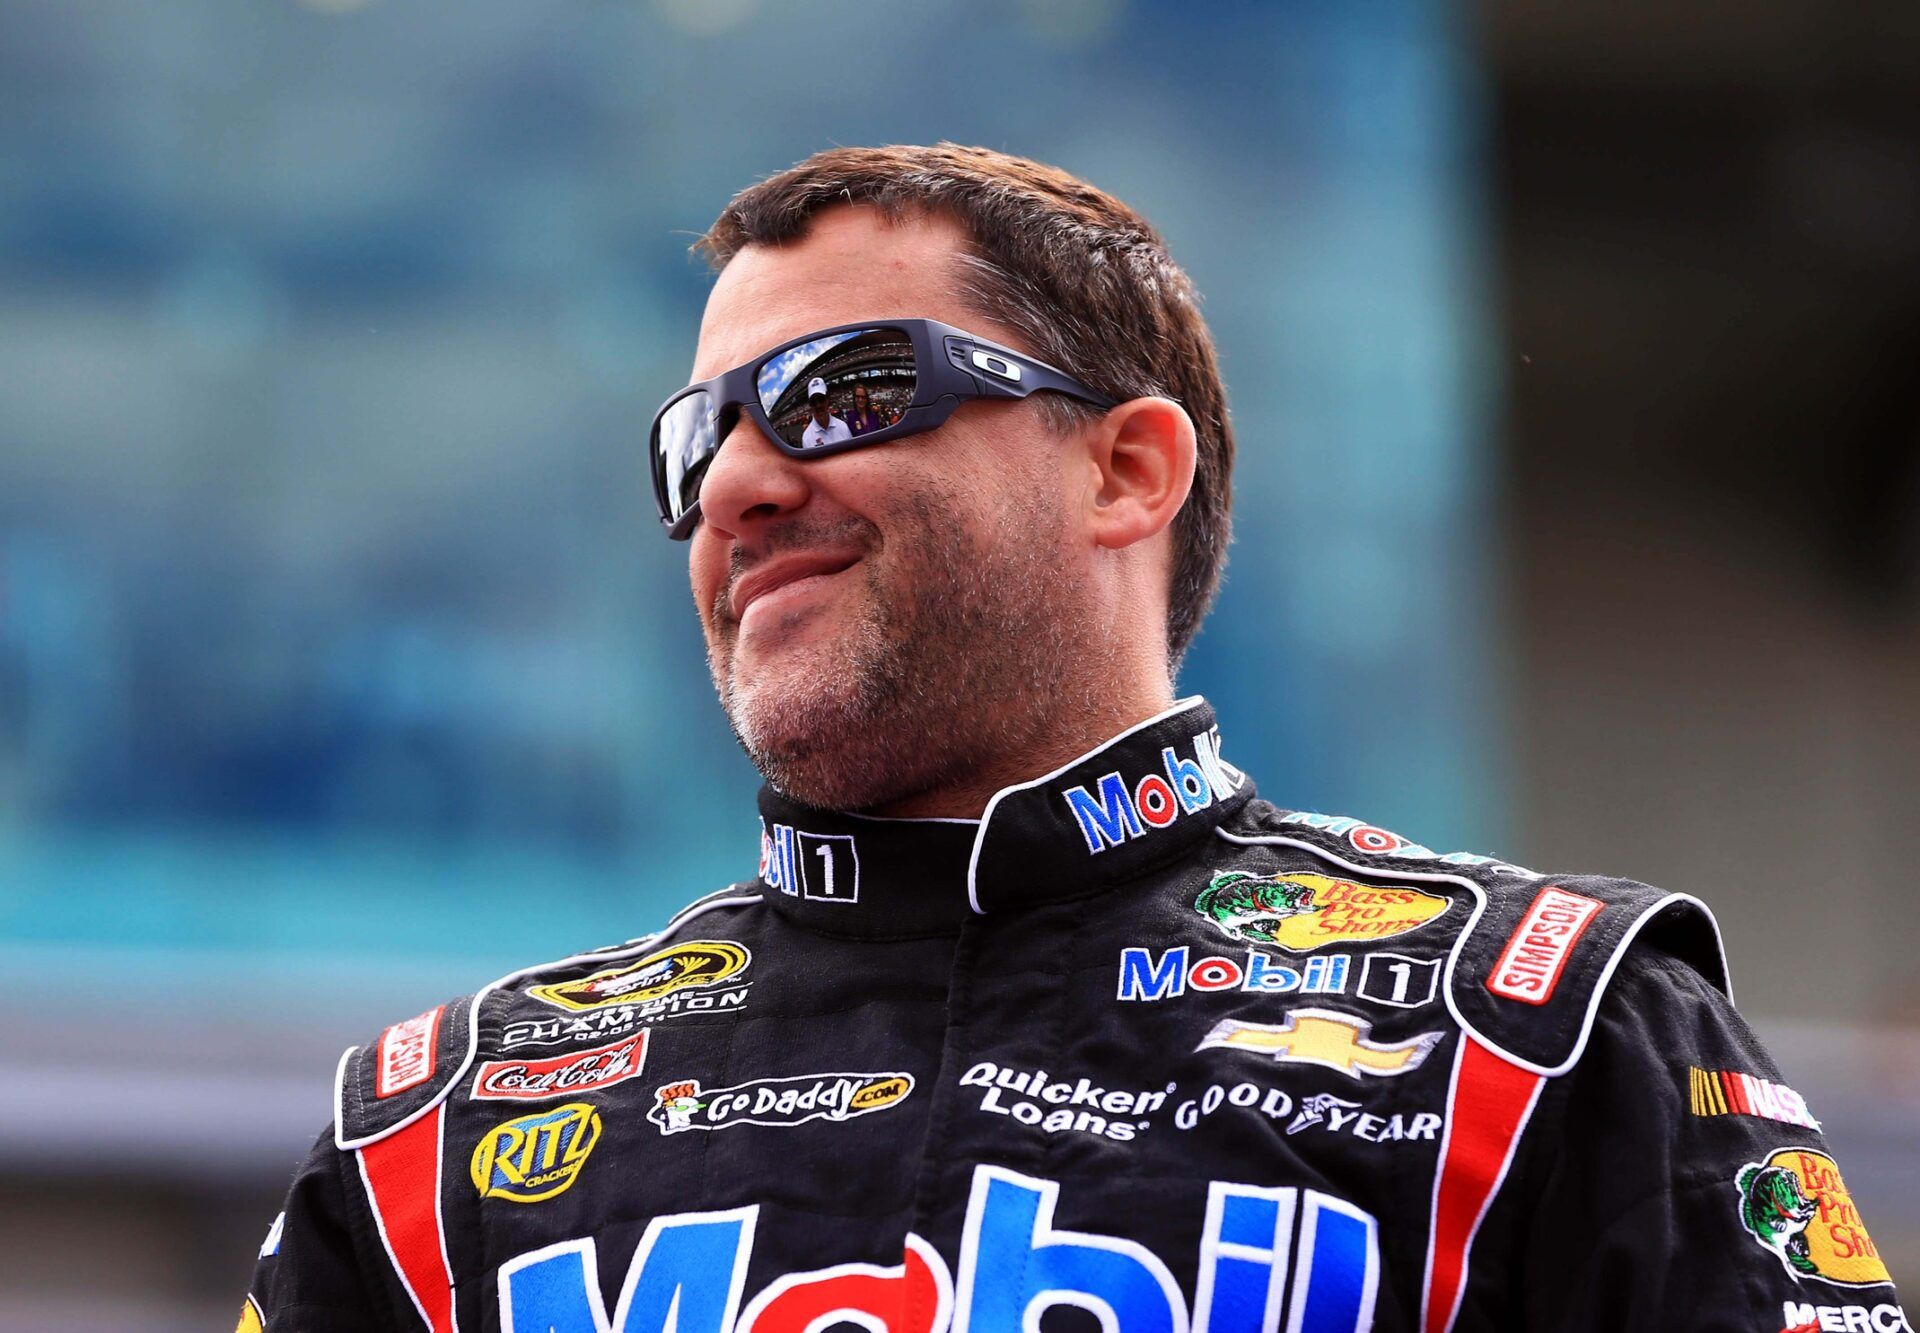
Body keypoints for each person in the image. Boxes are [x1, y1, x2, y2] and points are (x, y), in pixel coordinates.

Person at [238, 143, 1908, 1333]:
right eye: (699, 441)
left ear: (1126, 470)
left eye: (841, 390)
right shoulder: (439, 1125)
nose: (739, 485)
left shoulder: (1539, 1026)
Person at [799, 375, 853, 449]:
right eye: (813, 402)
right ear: (810, 405)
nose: (818, 405)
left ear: (828, 399)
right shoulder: (806, 438)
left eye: (821, 399)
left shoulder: (843, 427)